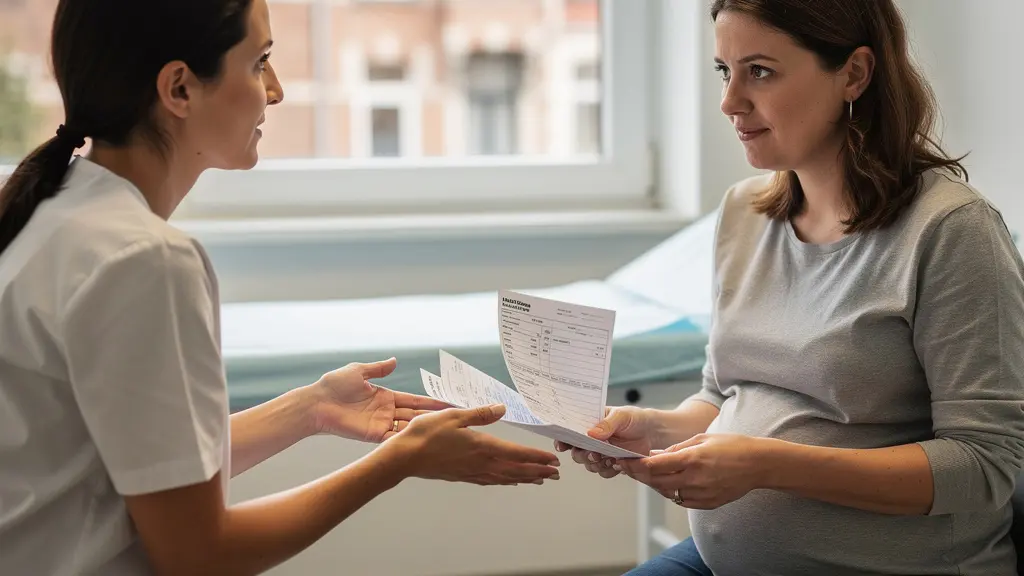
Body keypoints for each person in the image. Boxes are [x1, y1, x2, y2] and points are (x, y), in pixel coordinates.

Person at [0, 1, 562, 574]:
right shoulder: (143, 261)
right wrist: (398, 462)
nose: (276, 91)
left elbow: (148, 468)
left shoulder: (56, 212)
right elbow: (202, 555)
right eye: (259, 62)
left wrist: (311, 408)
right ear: (180, 88)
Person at [559, 0, 1024, 574]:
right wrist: (653, 429)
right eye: (724, 71)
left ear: (854, 73)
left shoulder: (952, 232)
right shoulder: (744, 213)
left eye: (760, 71)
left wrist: (766, 465)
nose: (730, 102)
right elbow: (725, 396)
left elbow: (984, 465)